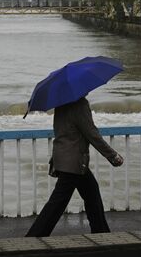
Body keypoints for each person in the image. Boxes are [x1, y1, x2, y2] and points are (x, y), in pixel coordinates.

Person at [26, 97, 124, 237]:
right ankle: (33, 237)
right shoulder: (80, 104)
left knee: (92, 194)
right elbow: (92, 133)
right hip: (74, 162)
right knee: (56, 204)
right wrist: (112, 156)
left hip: (64, 159)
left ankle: (101, 233)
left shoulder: (61, 103)